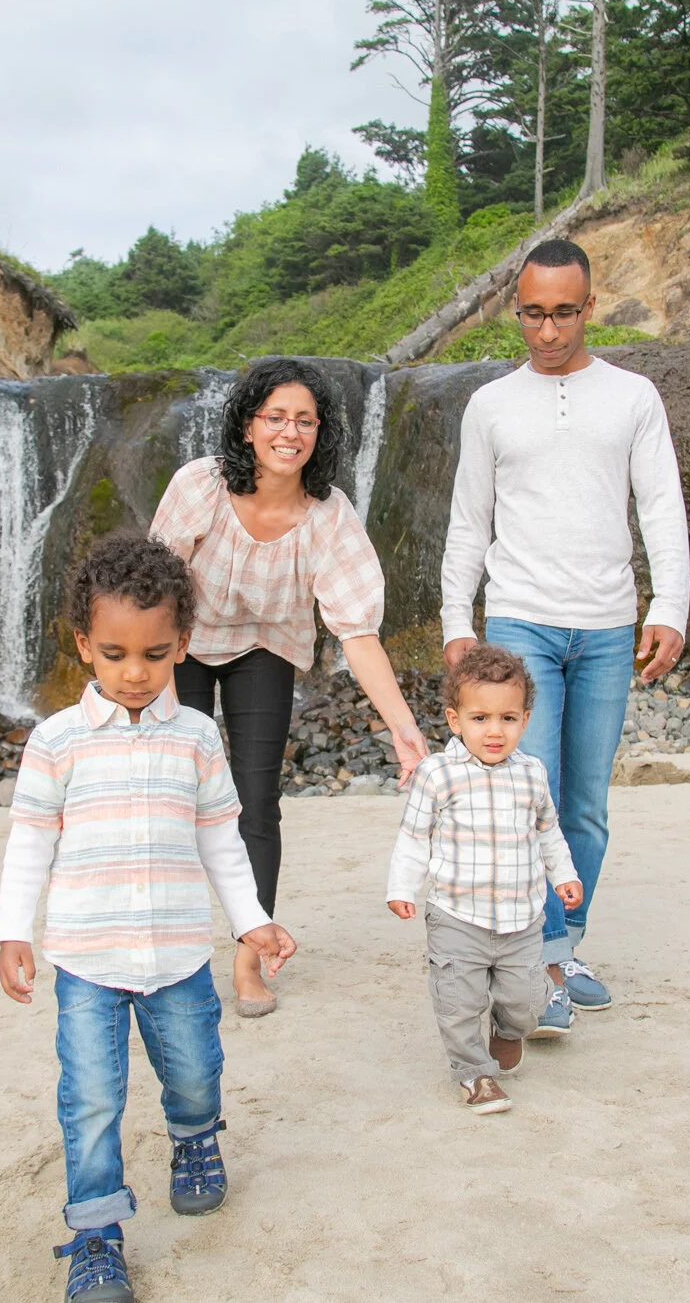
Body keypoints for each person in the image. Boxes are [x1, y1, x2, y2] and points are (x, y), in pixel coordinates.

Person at [0, 536, 300, 1303]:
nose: (135, 673)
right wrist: (11, 929)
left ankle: (195, 1139)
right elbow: (29, 841)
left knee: (195, 1072)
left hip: (177, 959)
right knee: (91, 1096)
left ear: (182, 645)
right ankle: (96, 1235)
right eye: (115, 653)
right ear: (83, 645)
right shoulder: (56, 742)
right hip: (87, 961)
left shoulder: (196, 736)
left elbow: (221, 840)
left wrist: (252, 923)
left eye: (156, 654)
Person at [439, 238, 690, 1031]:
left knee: (585, 806)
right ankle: (539, 962)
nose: (547, 332)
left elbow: (659, 505)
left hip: (610, 624)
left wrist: (669, 607)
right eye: (533, 314)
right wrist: (455, 620)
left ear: (590, 306)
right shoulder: (490, 405)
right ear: (519, 310)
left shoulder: (634, 397)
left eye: (563, 313)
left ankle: (564, 947)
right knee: (527, 797)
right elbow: (467, 520)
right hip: (520, 623)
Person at [151, 357, 431, 1017]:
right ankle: (171, 954)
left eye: (304, 420)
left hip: (265, 648)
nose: (289, 431)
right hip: (182, 644)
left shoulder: (328, 516)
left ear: (320, 432)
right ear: (249, 425)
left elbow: (356, 631)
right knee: (174, 793)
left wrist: (402, 725)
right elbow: (152, 590)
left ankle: (251, 956)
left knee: (256, 801)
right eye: (275, 416)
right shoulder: (201, 485)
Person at [386, 643, 583, 1114]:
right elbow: (413, 839)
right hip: (457, 916)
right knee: (457, 1003)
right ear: (455, 720)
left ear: (525, 720)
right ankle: (475, 1075)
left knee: (528, 1000)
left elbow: (548, 833)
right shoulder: (437, 775)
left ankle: (509, 1028)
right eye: (480, 719)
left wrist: (565, 876)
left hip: (521, 918)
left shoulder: (532, 774)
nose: (494, 731)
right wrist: (401, 887)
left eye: (507, 719)